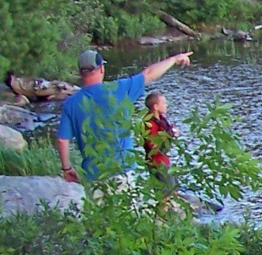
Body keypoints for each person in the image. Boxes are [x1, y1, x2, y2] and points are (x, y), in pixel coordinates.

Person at [56, 49, 192, 185]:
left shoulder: (71, 104)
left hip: (93, 175)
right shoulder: (118, 89)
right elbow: (149, 74)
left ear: (80, 73)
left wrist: (66, 168)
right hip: (122, 171)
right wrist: (174, 59)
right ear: (101, 69)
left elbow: (62, 140)